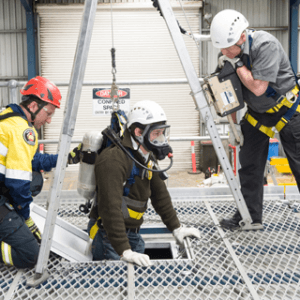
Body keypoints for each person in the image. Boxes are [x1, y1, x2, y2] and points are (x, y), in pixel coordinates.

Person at [210, 9, 300, 229]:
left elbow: (258, 88)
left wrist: (238, 64)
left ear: (242, 37)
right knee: (249, 166)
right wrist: (233, 127)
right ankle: (249, 217)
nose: (224, 51)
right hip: (257, 115)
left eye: (228, 47)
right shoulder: (228, 52)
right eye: (220, 47)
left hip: (287, 109)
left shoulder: (265, 45)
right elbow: (228, 93)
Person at [87, 100, 201, 266]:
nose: (160, 139)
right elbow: (109, 208)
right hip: (109, 239)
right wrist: (124, 251)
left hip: (132, 235)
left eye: (162, 133)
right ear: (138, 131)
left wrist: (177, 228)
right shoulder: (113, 160)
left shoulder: (145, 156)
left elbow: (160, 195)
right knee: (114, 287)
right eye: (155, 133)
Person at [0, 76, 62, 268]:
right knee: (31, 255)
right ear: (34, 106)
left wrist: (66, 158)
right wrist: (26, 218)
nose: (49, 121)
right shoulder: (21, 130)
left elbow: (33, 160)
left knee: (35, 179)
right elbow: (18, 182)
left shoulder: (8, 115)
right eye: (48, 113)